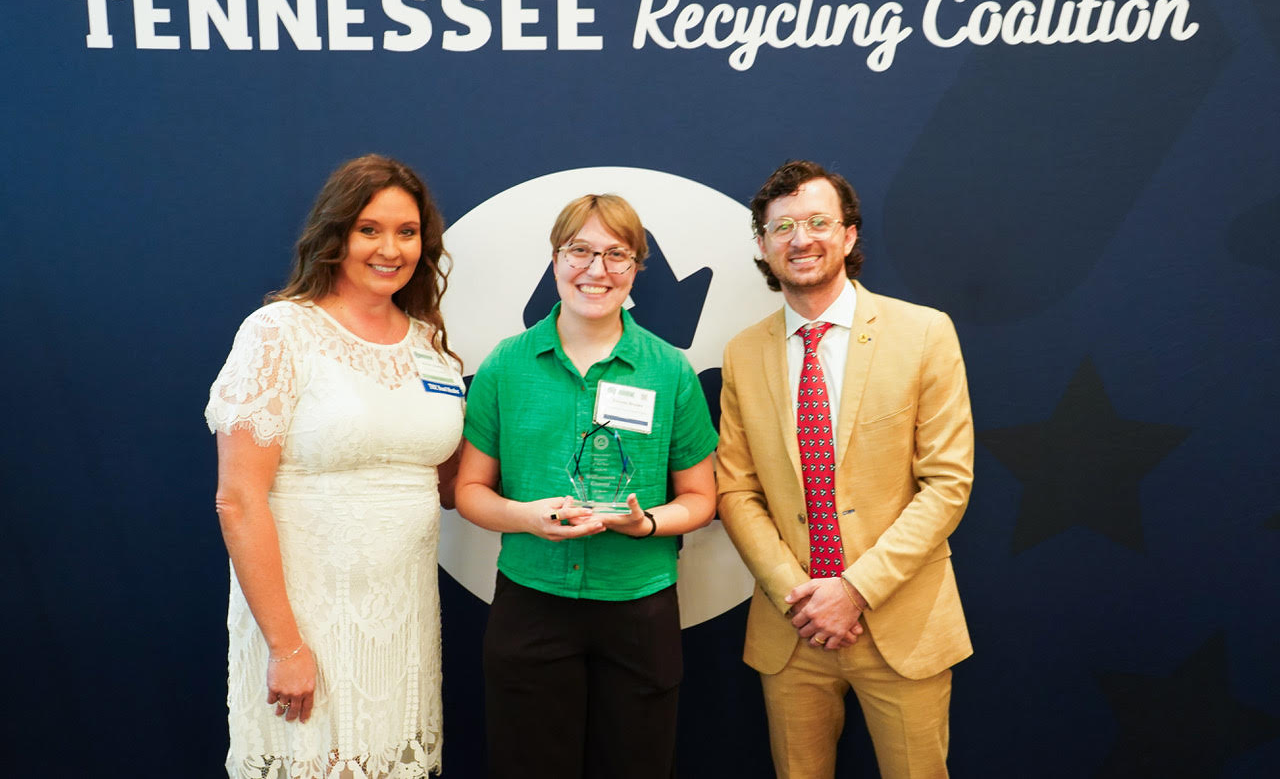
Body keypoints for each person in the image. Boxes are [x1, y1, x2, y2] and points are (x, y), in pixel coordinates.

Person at [205, 154, 464, 778]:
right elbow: (238, 500)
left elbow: (451, 485)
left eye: (407, 232)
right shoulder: (281, 332)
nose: (390, 249)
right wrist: (285, 646)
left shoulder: (429, 344)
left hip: (400, 622)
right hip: (305, 620)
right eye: (369, 229)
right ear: (335, 233)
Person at [716, 160, 974, 779]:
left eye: (817, 222)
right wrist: (798, 596)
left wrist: (854, 591)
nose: (800, 239)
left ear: (849, 234)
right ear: (762, 245)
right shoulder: (743, 353)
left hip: (902, 624)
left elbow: (947, 484)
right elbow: (736, 490)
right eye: (782, 227)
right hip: (792, 628)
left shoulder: (924, 333)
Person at [455, 193, 718, 779]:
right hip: (531, 602)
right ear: (555, 260)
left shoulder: (669, 369)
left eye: (616, 255)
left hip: (639, 608)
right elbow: (469, 490)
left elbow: (701, 498)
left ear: (636, 268)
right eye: (580, 251)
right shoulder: (506, 365)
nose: (596, 270)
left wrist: (646, 524)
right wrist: (526, 518)